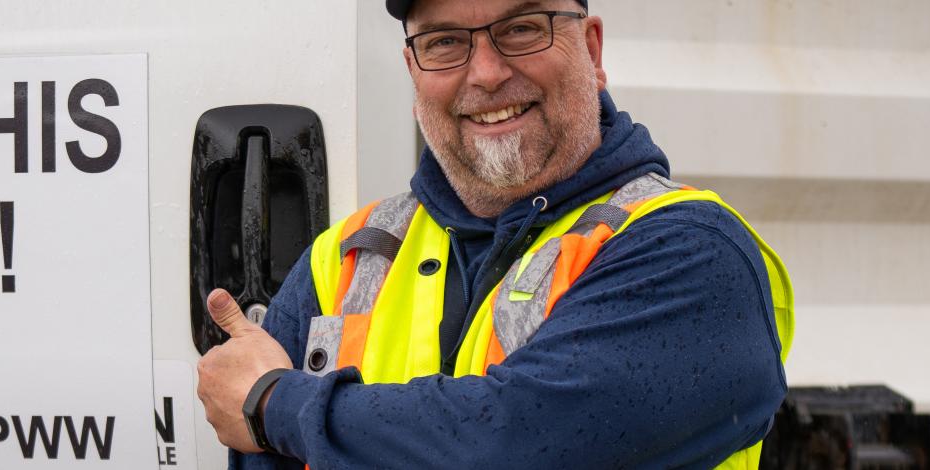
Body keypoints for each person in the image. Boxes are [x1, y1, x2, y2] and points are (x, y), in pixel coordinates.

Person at [196, 0, 795, 468]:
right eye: (445, 42)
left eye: (522, 28)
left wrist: (275, 403)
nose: (484, 73)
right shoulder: (349, 254)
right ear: (412, 70)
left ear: (591, 50)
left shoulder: (690, 252)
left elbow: (512, 445)